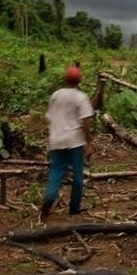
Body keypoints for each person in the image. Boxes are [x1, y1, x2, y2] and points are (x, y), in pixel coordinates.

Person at [39, 65, 94, 222]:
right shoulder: (81, 97)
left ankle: (49, 199)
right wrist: (88, 141)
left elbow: (49, 117)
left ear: (65, 79)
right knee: (77, 175)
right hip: (74, 141)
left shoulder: (55, 95)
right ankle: (74, 208)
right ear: (80, 80)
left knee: (56, 172)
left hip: (56, 139)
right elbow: (85, 122)